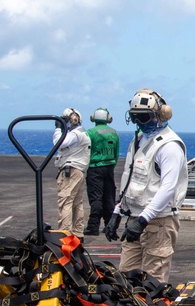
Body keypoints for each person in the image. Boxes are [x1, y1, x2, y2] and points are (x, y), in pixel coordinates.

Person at [105, 89, 187, 284]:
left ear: (160, 114)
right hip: (134, 219)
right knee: (125, 278)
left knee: (153, 282)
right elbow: (130, 180)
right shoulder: (139, 141)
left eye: (145, 117)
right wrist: (117, 212)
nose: (141, 123)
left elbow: (168, 188)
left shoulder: (169, 146)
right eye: (136, 118)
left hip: (158, 222)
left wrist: (143, 220)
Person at [52, 108, 91, 234]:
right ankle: (78, 232)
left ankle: (64, 232)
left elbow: (59, 143)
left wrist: (58, 128)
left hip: (71, 170)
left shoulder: (75, 134)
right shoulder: (82, 133)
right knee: (77, 202)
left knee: (66, 202)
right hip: (79, 170)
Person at [83, 107, 120, 236]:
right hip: (109, 168)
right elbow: (116, 152)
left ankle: (93, 227)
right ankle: (109, 226)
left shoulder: (90, 133)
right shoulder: (114, 132)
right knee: (109, 198)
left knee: (96, 198)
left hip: (95, 167)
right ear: (108, 119)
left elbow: (86, 151)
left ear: (94, 118)